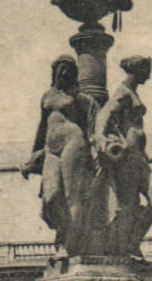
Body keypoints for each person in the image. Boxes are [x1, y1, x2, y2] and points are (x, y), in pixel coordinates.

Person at [19, 54, 95, 257]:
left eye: (68, 71)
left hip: (74, 142)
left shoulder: (78, 95)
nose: (63, 74)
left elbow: (93, 120)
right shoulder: (47, 96)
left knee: (72, 197)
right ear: (54, 72)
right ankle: (63, 231)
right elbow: (42, 126)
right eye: (60, 70)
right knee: (51, 197)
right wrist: (34, 155)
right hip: (50, 148)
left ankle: (68, 245)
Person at [91, 54, 152, 257]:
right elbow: (104, 114)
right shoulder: (123, 92)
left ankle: (132, 242)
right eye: (147, 71)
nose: (149, 76)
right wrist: (100, 138)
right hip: (127, 159)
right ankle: (126, 247)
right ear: (138, 70)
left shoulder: (132, 93)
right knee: (129, 206)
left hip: (140, 157)